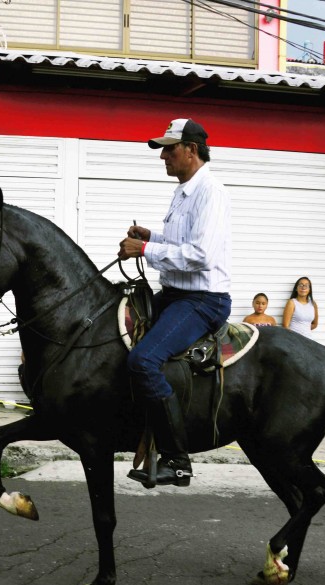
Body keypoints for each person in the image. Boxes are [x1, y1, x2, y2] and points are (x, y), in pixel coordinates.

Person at [117, 118, 231, 487]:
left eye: (170, 148)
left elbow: (201, 255)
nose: (163, 156)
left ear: (191, 150)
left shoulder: (210, 191)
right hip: (176, 294)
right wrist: (154, 236)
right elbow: (181, 239)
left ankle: (177, 460)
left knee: (144, 360)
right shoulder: (183, 191)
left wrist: (146, 249)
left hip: (202, 300)